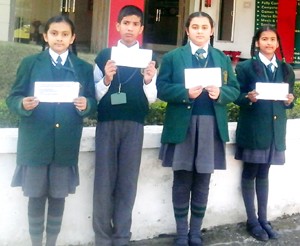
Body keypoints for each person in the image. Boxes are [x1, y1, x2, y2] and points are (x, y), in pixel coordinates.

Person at [6, 15, 97, 246]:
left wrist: (86, 105)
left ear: (72, 38)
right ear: (45, 36)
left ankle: (51, 243)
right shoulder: (30, 64)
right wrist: (22, 104)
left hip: (65, 143)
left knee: (58, 196)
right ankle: (37, 243)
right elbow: (13, 97)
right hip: (36, 141)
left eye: (65, 34)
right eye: (54, 33)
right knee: (35, 196)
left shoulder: (83, 68)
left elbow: (93, 101)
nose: (59, 38)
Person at [156, 11, 240, 246]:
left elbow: (234, 88)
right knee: (182, 179)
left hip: (211, 125)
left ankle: (196, 232)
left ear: (212, 31)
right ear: (187, 31)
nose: (200, 31)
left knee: (203, 179)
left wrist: (220, 93)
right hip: (183, 125)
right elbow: (161, 88)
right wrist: (185, 93)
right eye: (195, 27)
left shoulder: (221, 58)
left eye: (205, 27)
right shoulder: (174, 57)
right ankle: (182, 233)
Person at [93, 5, 157, 246]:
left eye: (135, 24)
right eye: (125, 23)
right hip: (107, 123)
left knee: (127, 183)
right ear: (117, 26)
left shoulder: (148, 58)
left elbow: (151, 98)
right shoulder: (104, 56)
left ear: (140, 29)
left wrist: (148, 80)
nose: (130, 28)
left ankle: (121, 237)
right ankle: (102, 237)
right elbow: (96, 95)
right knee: (103, 182)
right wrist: (107, 79)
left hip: (134, 124)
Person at [234, 25, 295, 241]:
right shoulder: (246, 68)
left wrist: (290, 101)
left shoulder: (286, 69)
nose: (269, 43)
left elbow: (290, 99)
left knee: (264, 174)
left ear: (278, 43)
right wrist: (248, 98)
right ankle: (252, 221)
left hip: (274, 131)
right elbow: (236, 96)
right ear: (257, 42)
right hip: (253, 129)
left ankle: (264, 219)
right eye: (264, 39)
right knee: (250, 172)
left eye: (273, 39)